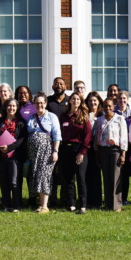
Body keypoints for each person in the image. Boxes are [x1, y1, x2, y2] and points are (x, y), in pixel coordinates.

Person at [27, 92, 61, 214]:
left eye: (42, 103)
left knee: (44, 176)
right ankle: (40, 205)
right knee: (36, 175)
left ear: (46, 104)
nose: (39, 105)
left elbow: (57, 136)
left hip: (47, 151)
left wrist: (55, 151)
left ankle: (45, 206)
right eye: (37, 103)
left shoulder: (52, 117)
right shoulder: (31, 117)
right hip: (33, 153)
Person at [59, 93, 92, 214]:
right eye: (73, 98)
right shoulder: (63, 116)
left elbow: (88, 137)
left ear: (80, 101)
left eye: (78, 99)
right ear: (70, 101)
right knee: (69, 178)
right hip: (65, 149)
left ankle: (82, 205)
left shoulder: (84, 116)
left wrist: (82, 152)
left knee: (80, 177)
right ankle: (71, 204)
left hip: (79, 149)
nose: (76, 101)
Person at [93, 99, 128, 212]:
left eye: (110, 106)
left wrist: (123, 153)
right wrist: (96, 151)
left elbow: (123, 136)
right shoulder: (99, 120)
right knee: (106, 177)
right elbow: (96, 137)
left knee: (115, 177)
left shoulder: (119, 118)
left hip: (115, 151)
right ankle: (108, 204)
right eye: (105, 106)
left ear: (113, 107)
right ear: (102, 107)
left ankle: (116, 205)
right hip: (103, 150)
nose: (107, 109)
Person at [0, 98, 26, 212]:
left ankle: (16, 205)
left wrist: (9, 148)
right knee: (3, 181)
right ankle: (6, 205)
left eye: (13, 106)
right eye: (9, 106)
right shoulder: (0, 121)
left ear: (17, 108)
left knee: (14, 181)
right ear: (5, 107)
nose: (11, 108)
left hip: (15, 156)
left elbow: (21, 139)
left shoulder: (21, 122)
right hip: (1, 155)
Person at [46, 77, 69, 207]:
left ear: (65, 86)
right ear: (52, 86)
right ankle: (52, 199)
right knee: (52, 171)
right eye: (56, 84)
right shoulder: (48, 101)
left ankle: (65, 198)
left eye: (61, 83)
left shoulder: (70, 100)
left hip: (67, 142)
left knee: (65, 172)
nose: (59, 85)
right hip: (52, 142)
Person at [114, 90, 131, 205]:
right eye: (120, 98)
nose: (122, 101)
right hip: (114, 146)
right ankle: (114, 197)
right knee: (115, 173)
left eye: (124, 98)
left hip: (128, 147)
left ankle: (124, 198)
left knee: (125, 174)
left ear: (127, 100)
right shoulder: (112, 112)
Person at [15, 85, 35, 207]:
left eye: (25, 93)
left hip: (29, 145)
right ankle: (18, 199)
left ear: (29, 94)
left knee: (30, 173)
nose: (23, 95)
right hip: (16, 146)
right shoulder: (14, 106)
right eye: (20, 93)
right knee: (17, 174)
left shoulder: (33, 107)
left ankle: (32, 199)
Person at [85, 91, 104, 209]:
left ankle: (97, 200)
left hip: (99, 148)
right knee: (87, 174)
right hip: (87, 147)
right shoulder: (84, 114)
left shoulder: (102, 115)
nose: (92, 103)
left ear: (99, 102)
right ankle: (87, 199)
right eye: (90, 101)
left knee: (97, 174)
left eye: (95, 101)